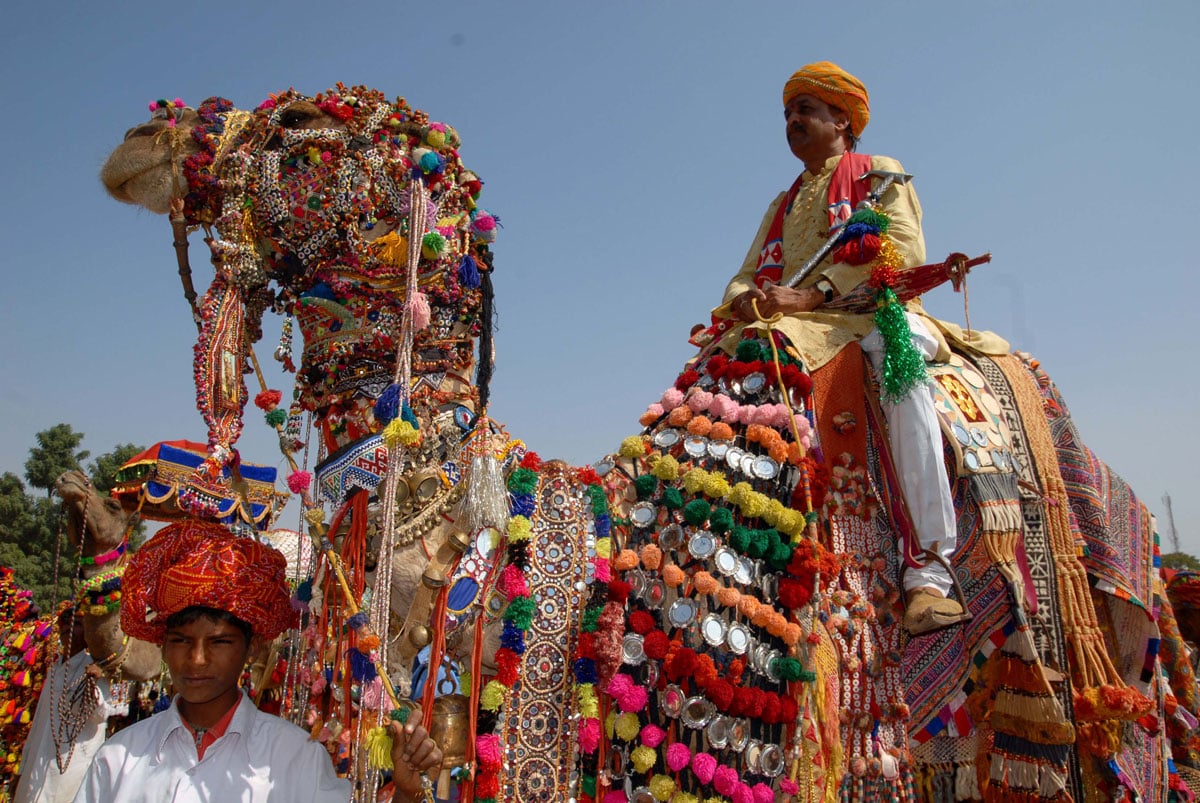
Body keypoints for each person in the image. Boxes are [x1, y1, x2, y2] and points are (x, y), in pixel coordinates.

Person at [716, 61, 970, 634]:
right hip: (791, 322)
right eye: (787, 113)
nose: (792, 120)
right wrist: (745, 299)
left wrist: (815, 294)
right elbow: (743, 273)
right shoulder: (782, 203)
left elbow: (900, 250)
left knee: (896, 370)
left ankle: (929, 571)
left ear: (842, 118)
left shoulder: (878, 173)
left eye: (805, 109)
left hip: (872, 314)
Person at [72, 518, 442, 802]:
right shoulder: (118, 758)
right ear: (163, 646)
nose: (196, 660)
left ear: (250, 649)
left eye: (219, 643)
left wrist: (407, 795)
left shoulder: (295, 757)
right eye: (181, 640)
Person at [14, 606, 123, 803]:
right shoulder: (55, 669)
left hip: (71, 766)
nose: (69, 627)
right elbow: (38, 720)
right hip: (37, 761)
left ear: (88, 633)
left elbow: (101, 715)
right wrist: (23, 766)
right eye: (65, 622)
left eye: (78, 624)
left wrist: (93, 685)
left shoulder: (97, 669)